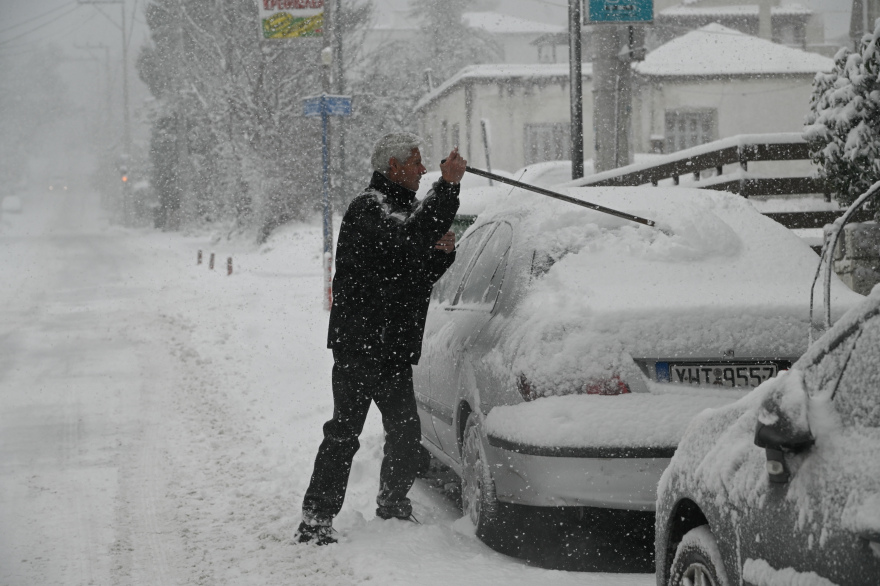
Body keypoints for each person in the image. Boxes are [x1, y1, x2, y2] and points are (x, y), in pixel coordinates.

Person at [295, 133, 467, 545]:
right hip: (360, 344)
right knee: (344, 433)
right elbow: (405, 241)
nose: (423, 169)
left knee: (406, 432)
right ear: (393, 167)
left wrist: (442, 253)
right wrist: (447, 187)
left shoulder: (405, 211)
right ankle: (315, 520)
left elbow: (415, 274)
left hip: (391, 347)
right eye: (417, 162)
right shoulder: (368, 209)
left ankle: (393, 505)